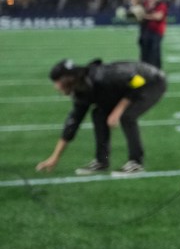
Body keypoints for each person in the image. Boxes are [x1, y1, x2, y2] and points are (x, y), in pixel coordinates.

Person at [36, 58, 167, 176]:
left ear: (68, 78)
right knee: (98, 114)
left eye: (57, 81)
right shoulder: (81, 90)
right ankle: (101, 161)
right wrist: (54, 158)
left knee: (127, 117)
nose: (56, 87)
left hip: (151, 81)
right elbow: (72, 124)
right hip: (125, 88)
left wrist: (118, 110)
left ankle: (136, 163)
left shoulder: (104, 76)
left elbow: (138, 82)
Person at [137, 0, 168, 68]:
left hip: (156, 32)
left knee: (154, 52)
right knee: (144, 52)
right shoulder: (144, 5)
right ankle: (144, 68)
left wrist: (145, 16)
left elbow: (158, 17)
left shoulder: (161, 5)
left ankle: (156, 69)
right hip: (145, 32)